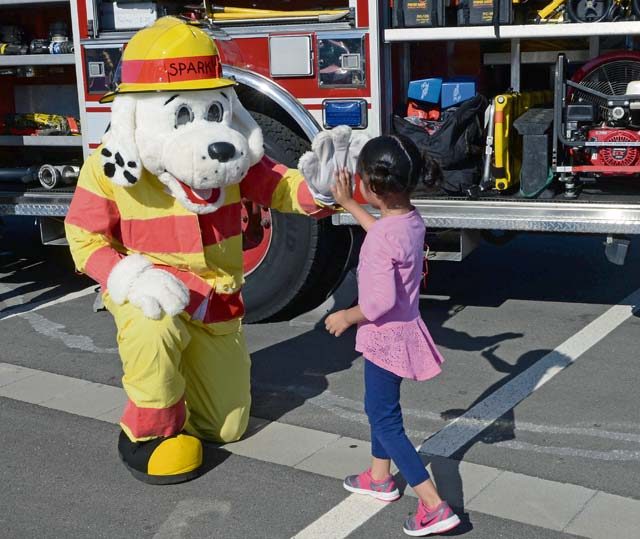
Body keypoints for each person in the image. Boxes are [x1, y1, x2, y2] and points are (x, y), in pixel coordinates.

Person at [325, 135, 461, 537]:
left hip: (384, 337)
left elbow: (379, 303)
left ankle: (433, 505)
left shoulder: (387, 233)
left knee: (385, 421)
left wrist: (346, 316)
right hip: (403, 332)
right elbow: (384, 235)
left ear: (372, 185)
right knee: (380, 410)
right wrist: (351, 205)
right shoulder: (410, 219)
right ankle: (380, 477)